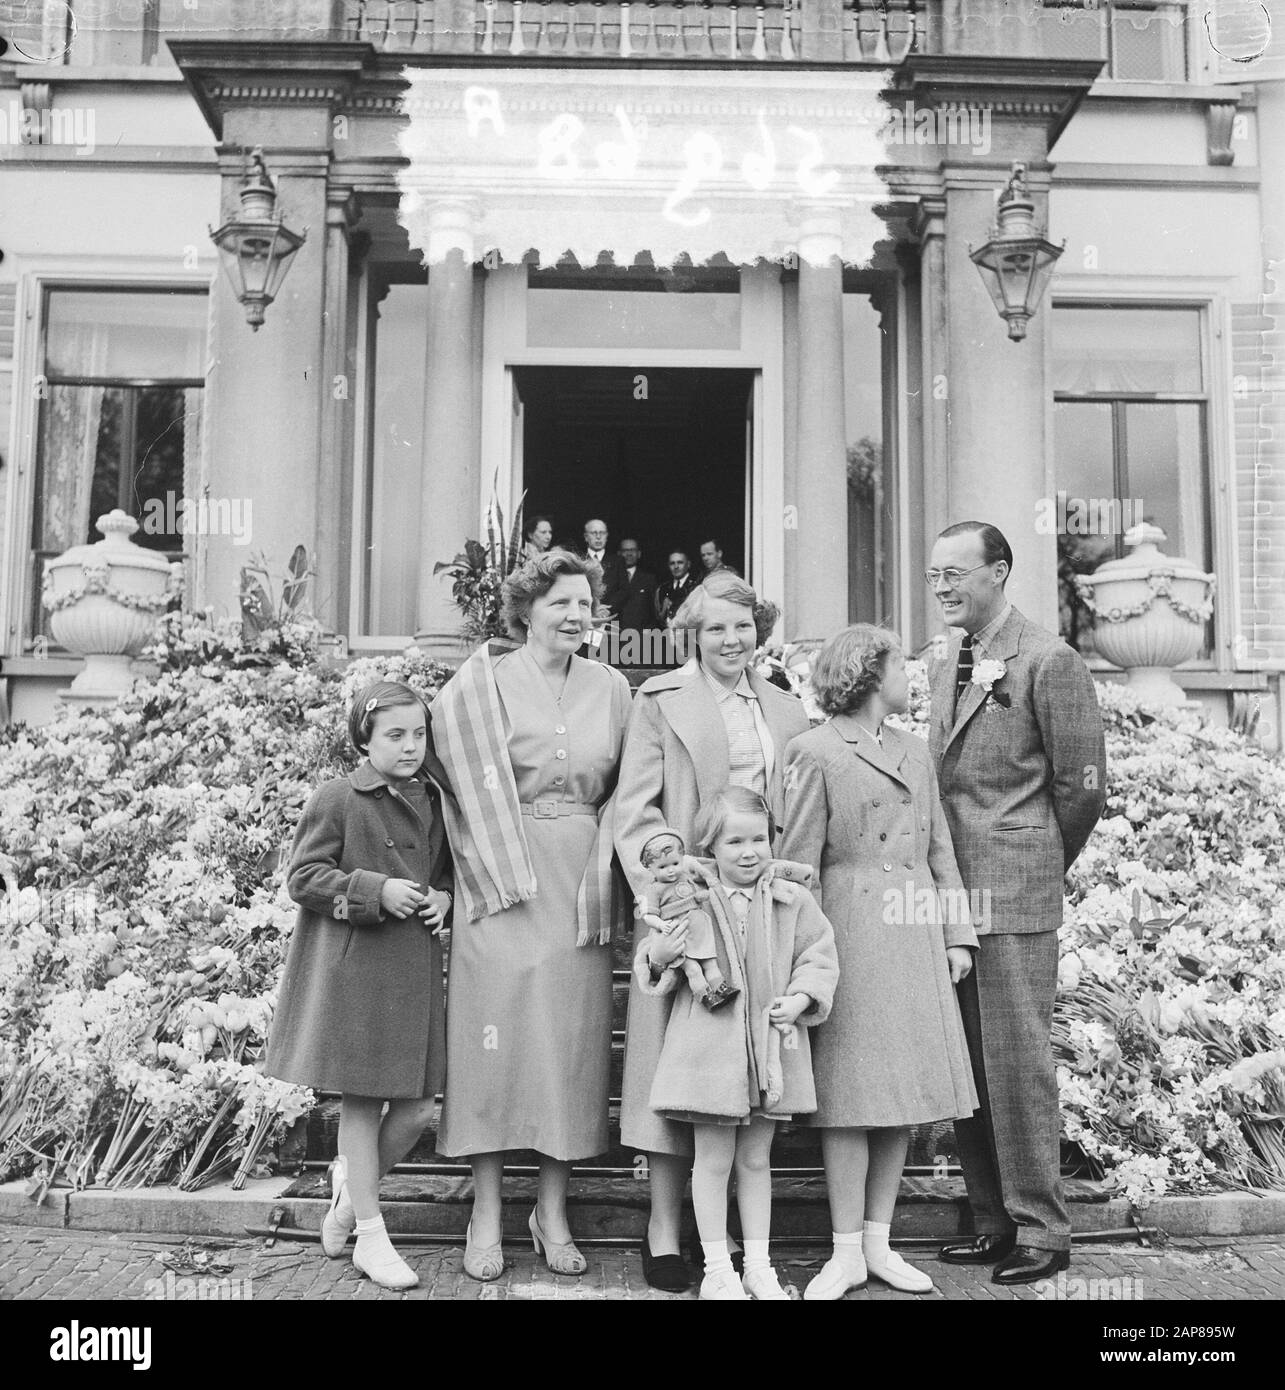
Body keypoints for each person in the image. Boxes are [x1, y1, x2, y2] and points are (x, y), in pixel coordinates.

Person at [430, 548, 632, 1281]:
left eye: (584, 605)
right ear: (526, 612)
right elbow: (445, 781)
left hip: (580, 873)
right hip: (497, 871)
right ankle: (485, 1209)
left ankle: (551, 1208)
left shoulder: (612, 688)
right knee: (492, 1045)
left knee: (566, 1047)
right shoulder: (480, 684)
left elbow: (631, 788)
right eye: (560, 604)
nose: (576, 616)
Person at [615, 570, 810, 1292]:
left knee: (747, 1070)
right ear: (691, 635)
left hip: (759, 904)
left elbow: (800, 808)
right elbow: (634, 810)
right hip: (690, 903)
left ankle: (736, 1241)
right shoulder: (660, 701)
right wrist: (670, 894)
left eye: (742, 626)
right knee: (678, 1065)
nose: (731, 640)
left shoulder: (787, 709)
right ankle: (666, 1224)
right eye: (715, 628)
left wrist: (789, 885)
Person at [926, 521, 1106, 1286]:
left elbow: (1082, 788)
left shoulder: (1048, 659)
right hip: (951, 895)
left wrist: (1033, 858)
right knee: (966, 1064)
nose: (940, 587)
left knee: (1017, 1063)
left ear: (998, 572)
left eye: (955, 574)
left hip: (1015, 892)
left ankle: (1043, 1228)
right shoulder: (945, 660)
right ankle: (991, 1219)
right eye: (934, 575)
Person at [780, 626, 979, 1300]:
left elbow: (939, 851)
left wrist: (956, 934)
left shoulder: (914, 751)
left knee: (901, 1095)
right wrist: (801, 952)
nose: (911, 677)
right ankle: (842, 1254)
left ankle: (877, 1243)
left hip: (913, 929)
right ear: (868, 673)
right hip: (847, 931)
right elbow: (798, 863)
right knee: (848, 1097)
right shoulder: (813, 751)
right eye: (901, 665)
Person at [264, 680, 454, 1291]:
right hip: (359, 972)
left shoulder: (435, 798)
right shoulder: (338, 798)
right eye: (394, 735)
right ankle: (372, 1237)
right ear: (364, 740)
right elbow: (304, 877)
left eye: (417, 734)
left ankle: (350, 1200)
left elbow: (449, 870)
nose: (408, 746)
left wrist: (444, 898)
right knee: (363, 1105)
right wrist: (375, 890)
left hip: (415, 971)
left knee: (420, 1109)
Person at [636, 786, 838, 1300]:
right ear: (710, 847)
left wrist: (800, 999)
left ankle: (759, 1265)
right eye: (733, 842)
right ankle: (717, 1269)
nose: (749, 852)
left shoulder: (792, 898)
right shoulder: (691, 896)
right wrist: (659, 954)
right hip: (710, 1052)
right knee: (711, 1160)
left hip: (767, 1048)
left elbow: (818, 953)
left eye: (758, 839)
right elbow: (660, 960)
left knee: (755, 1160)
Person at [637, 828, 735, 1009]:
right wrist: (660, 924)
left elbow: (693, 896)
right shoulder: (654, 889)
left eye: (675, 863)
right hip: (678, 933)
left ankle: (721, 988)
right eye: (662, 867)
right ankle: (705, 997)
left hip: (699, 928)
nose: (671, 870)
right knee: (693, 969)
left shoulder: (685, 877)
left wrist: (704, 896)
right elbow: (649, 915)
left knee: (710, 962)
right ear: (649, 868)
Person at [615, 538, 659, 656]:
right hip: (615, 642)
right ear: (619, 554)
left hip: (642, 642)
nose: (629, 553)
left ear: (639, 554)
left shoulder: (649, 580)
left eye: (632, 550)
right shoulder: (610, 579)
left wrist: (647, 635)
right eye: (625, 550)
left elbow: (655, 613)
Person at [579, 518, 628, 617]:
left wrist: (609, 609)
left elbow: (624, 590)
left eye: (602, 533)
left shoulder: (618, 561)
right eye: (594, 533)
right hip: (585, 616)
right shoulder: (579, 560)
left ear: (607, 536)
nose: (598, 537)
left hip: (611, 617)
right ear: (586, 537)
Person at [655, 551, 698, 627]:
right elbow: (658, 619)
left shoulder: (696, 587)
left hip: (690, 636)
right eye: (672, 563)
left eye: (680, 562)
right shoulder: (662, 589)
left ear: (688, 564)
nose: (676, 566)